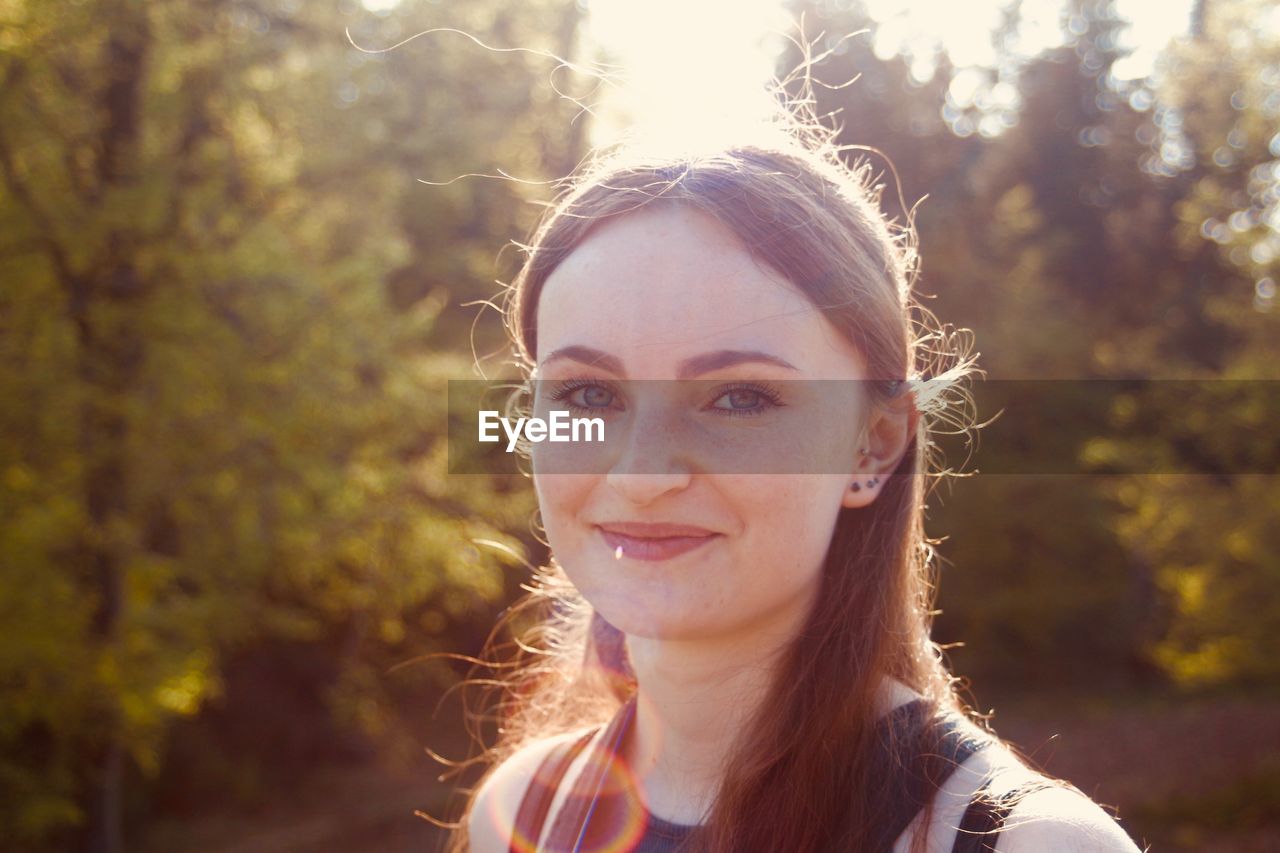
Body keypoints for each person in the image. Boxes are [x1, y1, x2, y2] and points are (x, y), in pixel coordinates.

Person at [445, 112, 1145, 852]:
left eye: (740, 397)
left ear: (872, 446)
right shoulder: (520, 815)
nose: (643, 474)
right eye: (587, 393)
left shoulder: (1029, 844)